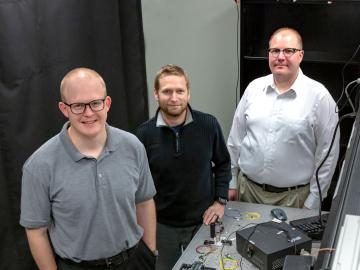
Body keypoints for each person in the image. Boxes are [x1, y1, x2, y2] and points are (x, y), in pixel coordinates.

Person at [20, 67, 157, 270]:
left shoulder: (133, 146)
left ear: (107, 103)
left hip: (135, 262)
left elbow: (144, 202)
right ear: (64, 108)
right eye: (77, 106)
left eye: (95, 103)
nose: (89, 113)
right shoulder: (39, 165)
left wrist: (150, 252)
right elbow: (36, 232)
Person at [227, 27, 340, 209]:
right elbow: (235, 139)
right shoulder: (254, 88)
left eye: (289, 51)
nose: (280, 57)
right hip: (247, 192)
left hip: (294, 199)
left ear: (301, 55)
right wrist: (231, 181)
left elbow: (328, 154)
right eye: (275, 50)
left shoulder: (320, 97)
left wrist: (314, 200)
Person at [136, 64, 231, 270]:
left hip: (203, 222)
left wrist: (220, 202)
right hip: (162, 226)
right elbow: (137, 184)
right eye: (167, 91)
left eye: (180, 91)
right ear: (156, 94)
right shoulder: (144, 135)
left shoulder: (208, 125)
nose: (174, 97)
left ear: (188, 93)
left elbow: (223, 164)